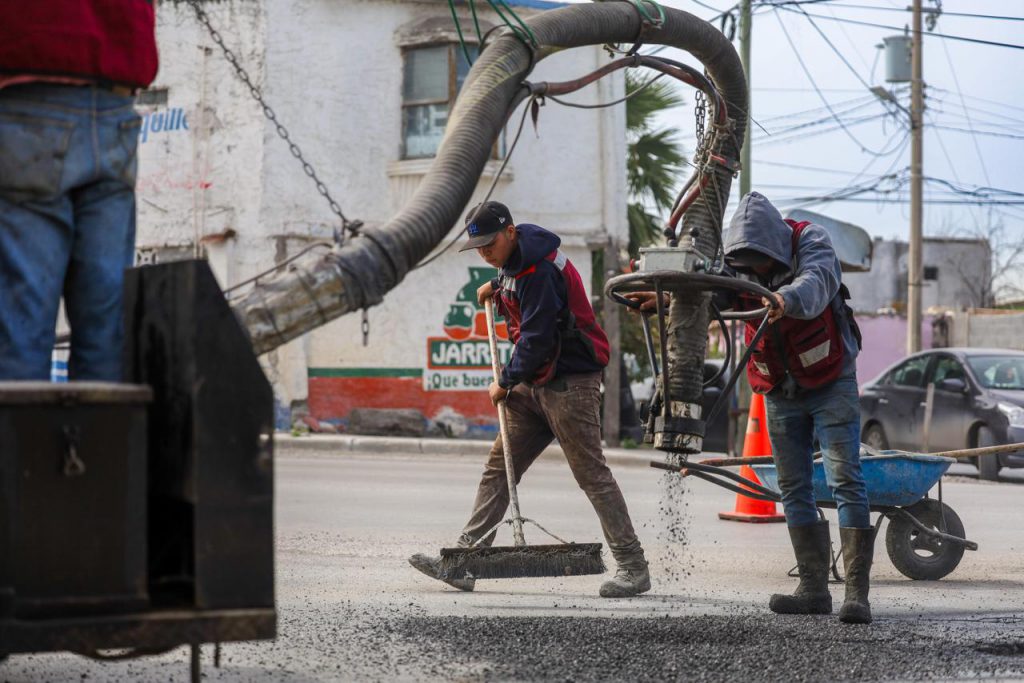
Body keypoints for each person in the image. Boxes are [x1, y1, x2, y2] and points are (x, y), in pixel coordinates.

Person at [630, 192, 872, 624]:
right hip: (779, 387)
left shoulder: (811, 242)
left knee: (844, 480)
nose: (754, 273)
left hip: (830, 380)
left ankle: (856, 595)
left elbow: (815, 285)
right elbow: (713, 297)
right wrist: (666, 300)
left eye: (761, 264)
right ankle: (814, 590)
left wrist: (784, 298)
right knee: (793, 487)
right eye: (747, 265)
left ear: (775, 246)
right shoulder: (736, 263)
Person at [409, 200, 651, 598]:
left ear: (510, 232)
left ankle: (633, 566)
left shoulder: (539, 269)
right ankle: (465, 560)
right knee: (499, 467)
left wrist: (505, 382)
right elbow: (515, 291)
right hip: (536, 381)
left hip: (570, 382)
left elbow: (537, 338)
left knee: (591, 475)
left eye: (490, 244)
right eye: (479, 248)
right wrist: (496, 285)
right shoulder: (513, 263)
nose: (485, 253)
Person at [0, 2, 159, 381]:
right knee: (105, 322)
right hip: (114, 98)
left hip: (29, 84)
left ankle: (22, 440)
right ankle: (102, 439)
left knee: (24, 317)